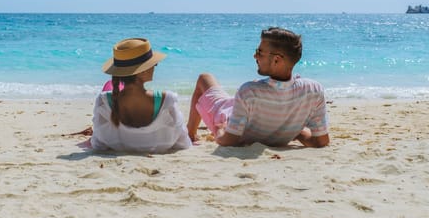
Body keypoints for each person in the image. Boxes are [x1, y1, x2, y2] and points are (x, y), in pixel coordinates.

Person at [187, 27, 330, 148]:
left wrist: (219, 130)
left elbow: (228, 141)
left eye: (260, 52)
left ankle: (191, 134)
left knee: (204, 78)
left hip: (226, 115)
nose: (255, 55)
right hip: (247, 108)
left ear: (276, 60)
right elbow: (321, 141)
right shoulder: (313, 90)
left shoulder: (249, 92)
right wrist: (296, 132)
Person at [91, 38, 192, 153]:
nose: (155, 66)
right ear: (143, 71)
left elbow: (98, 144)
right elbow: (183, 143)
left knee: (109, 86)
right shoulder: (167, 100)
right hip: (158, 148)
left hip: (118, 146)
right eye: (154, 64)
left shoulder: (103, 100)